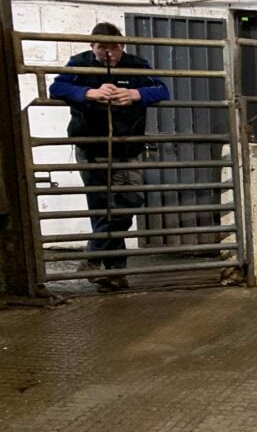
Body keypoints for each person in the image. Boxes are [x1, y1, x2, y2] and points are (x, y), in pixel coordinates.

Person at [49, 22, 169, 292]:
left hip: (128, 147)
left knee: (128, 200)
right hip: (91, 147)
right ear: (92, 46)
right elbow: (57, 88)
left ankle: (93, 257)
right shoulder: (79, 64)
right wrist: (88, 93)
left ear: (121, 46)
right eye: (102, 47)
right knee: (101, 207)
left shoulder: (136, 65)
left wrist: (136, 94)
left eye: (113, 47)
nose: (108, 53)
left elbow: (162, 90)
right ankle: (115, 273)